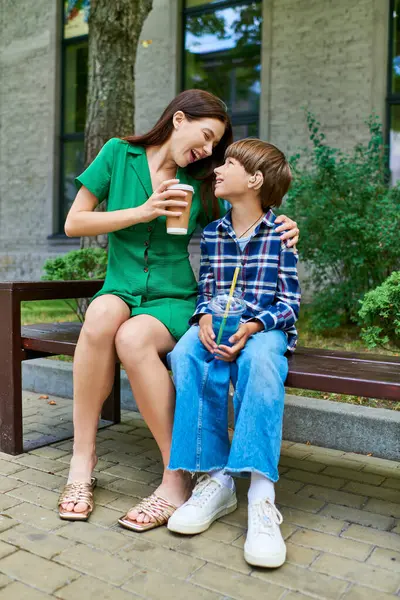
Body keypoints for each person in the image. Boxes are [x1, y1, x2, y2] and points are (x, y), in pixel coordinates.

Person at [58, 90, 300, 529]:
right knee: (101, 317)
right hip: (121, 284)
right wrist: (141, 211)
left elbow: (247, 215)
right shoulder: (119, 154)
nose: (207, 151)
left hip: (173, 297)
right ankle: (82, 461)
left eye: (214, 147)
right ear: (179, 119)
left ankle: (177, 475)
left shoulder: (205, 182)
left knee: (131, 337)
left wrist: (282, 221)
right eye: (206, 137)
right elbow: (75, 222)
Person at [166, 138, 301, 568]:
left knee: (261, 361)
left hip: (265, 327)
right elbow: (207, 289)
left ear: (256, 179)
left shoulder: (280, 233)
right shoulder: (213, 233)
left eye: (228, 164)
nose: (217, 170)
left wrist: (254, 326)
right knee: (186, 351)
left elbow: (289, 302)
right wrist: (203, 317)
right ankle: (217, 480)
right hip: (220, 322)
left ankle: (261, 495)